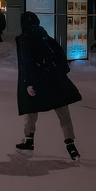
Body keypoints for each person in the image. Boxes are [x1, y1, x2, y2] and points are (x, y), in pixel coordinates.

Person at [15, 10, 82, 162]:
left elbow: (27, 63)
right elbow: (59, 54)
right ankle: (71, 145)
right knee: (63, 112)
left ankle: (29, 141)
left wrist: (29, 83)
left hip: (38, 80)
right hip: (55, 80)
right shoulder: (45, 36)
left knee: (31, 109)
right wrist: (61, 73)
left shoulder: (24, 39)